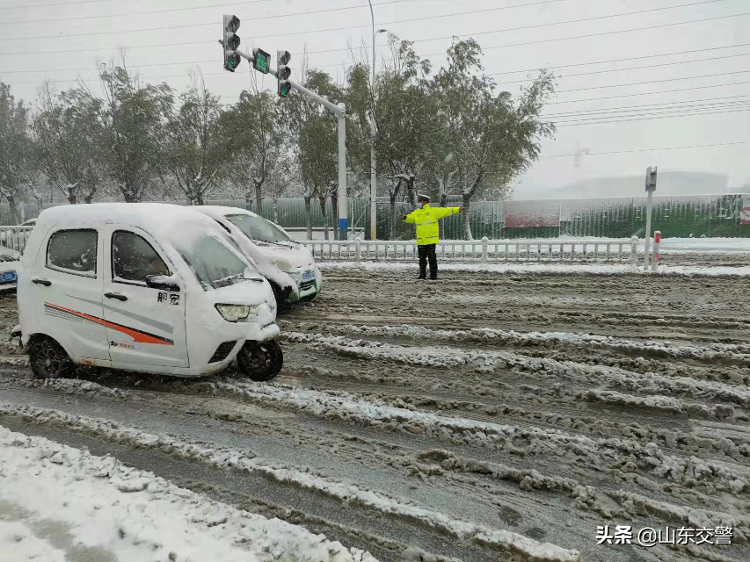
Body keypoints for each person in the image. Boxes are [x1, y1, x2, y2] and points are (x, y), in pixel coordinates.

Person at [402, 194, 464, 280]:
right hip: (421, 240)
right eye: (421, 200)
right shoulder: (417, 213)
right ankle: (422, 275)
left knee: (431, 259)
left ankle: (433, 276)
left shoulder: (433, 211)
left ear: (426, 201)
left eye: (423, 200)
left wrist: (457, 209)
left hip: (430, 240)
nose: (422, 202)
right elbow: (410, 218)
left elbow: (445, 211)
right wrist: (405, 217)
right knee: (422, 260)